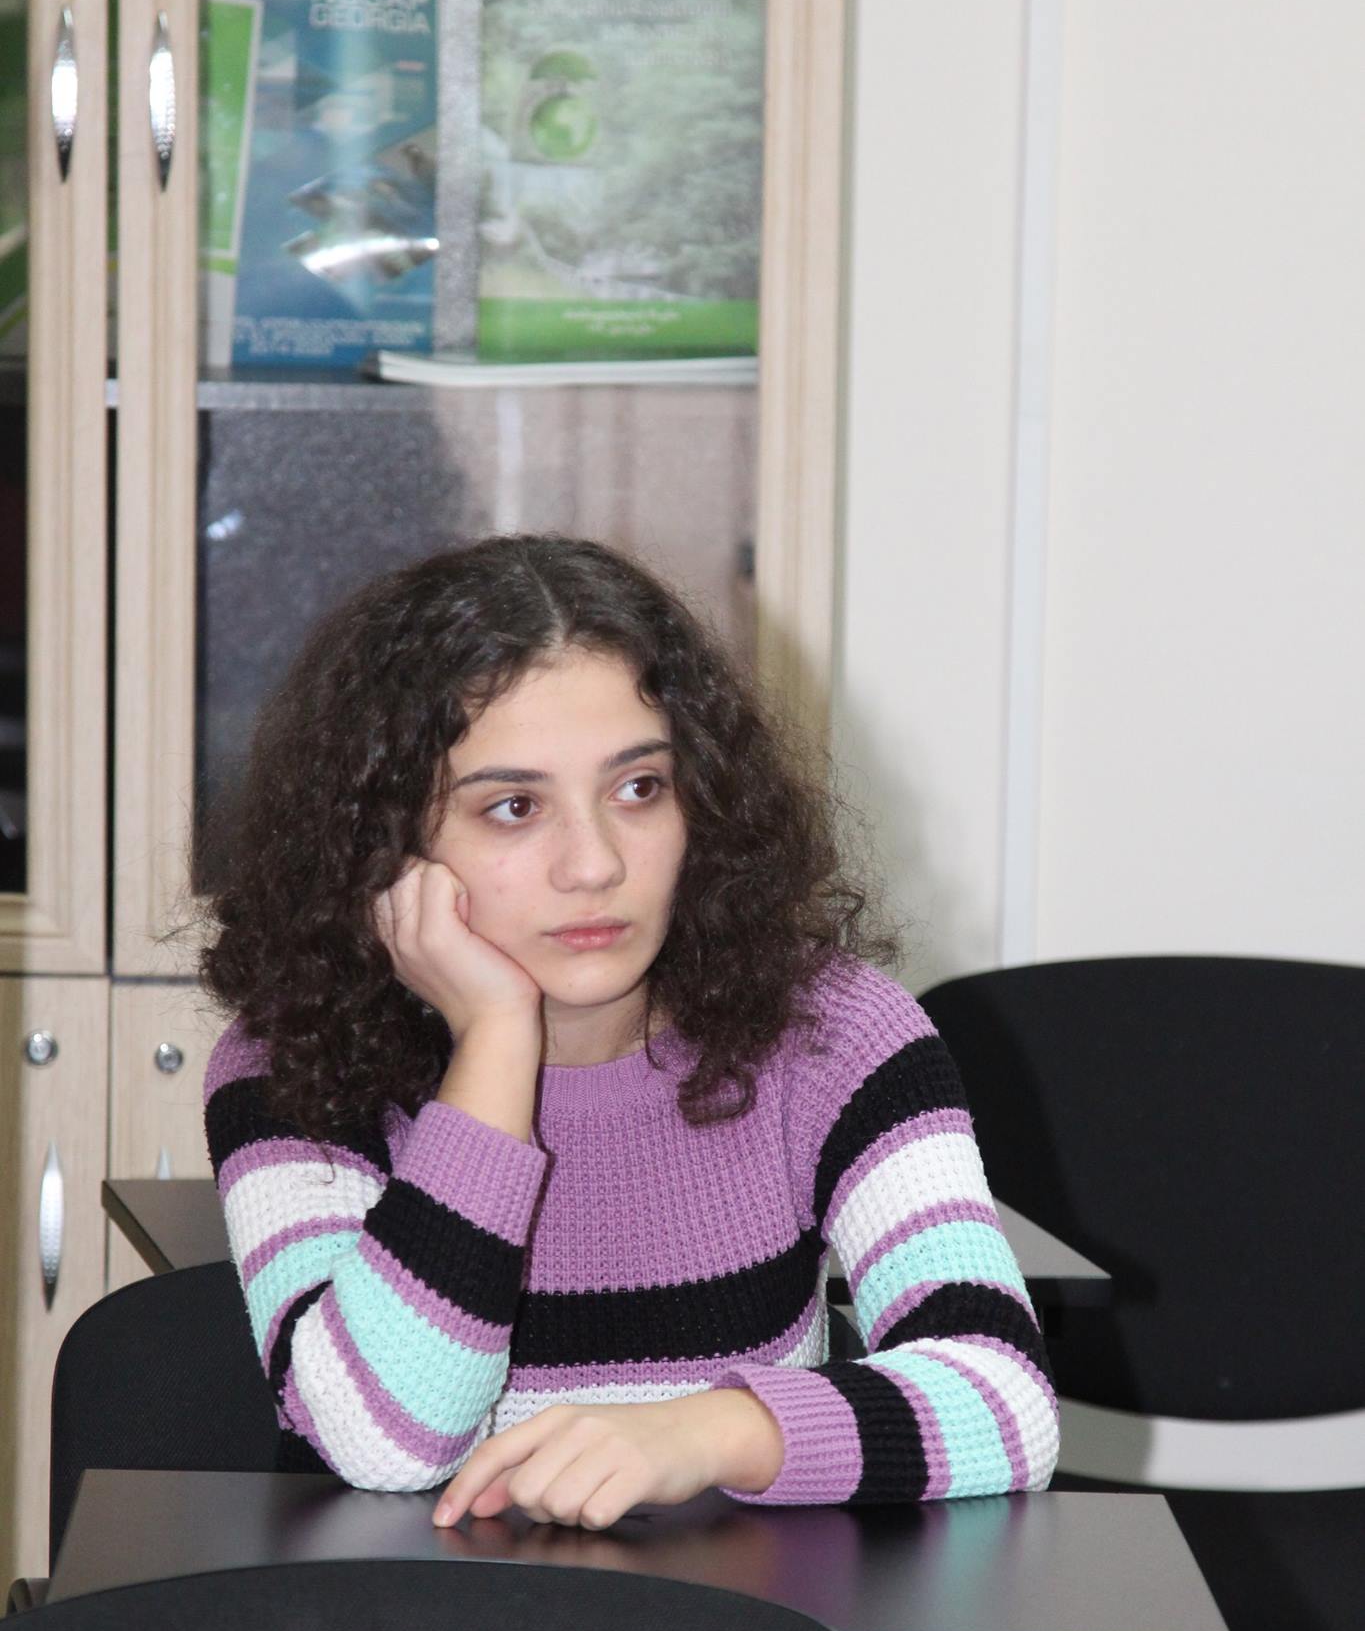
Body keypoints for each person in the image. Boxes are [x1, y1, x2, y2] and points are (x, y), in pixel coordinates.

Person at [192, 533, 1059, 1528]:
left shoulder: (832, 1034)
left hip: (739, 1619)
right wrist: (495, 1045)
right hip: (430, 1625)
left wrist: (705, 1432)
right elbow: (386, 1441)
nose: (594, 863)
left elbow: (1009, 1402)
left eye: (639, 788)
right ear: (383, 844)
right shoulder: (290, 1064)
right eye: (513, 807)